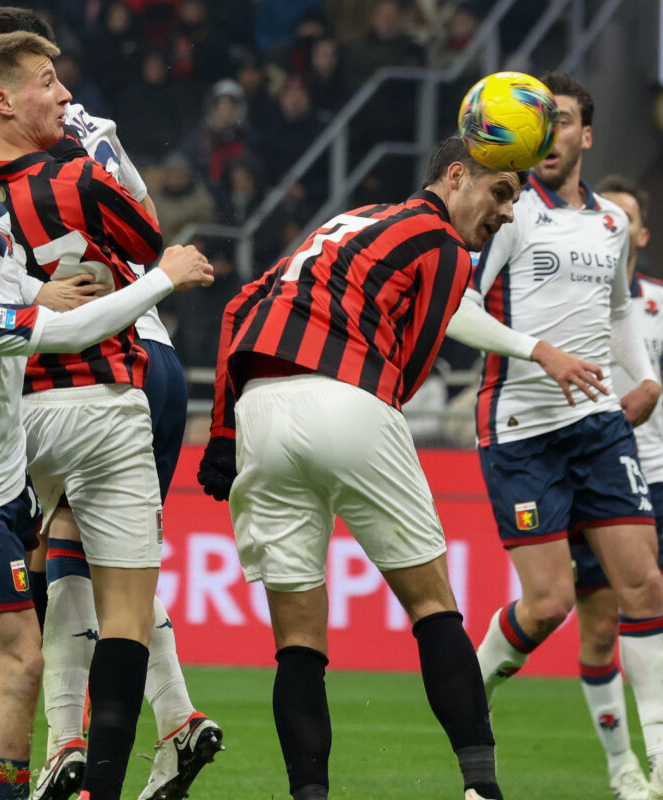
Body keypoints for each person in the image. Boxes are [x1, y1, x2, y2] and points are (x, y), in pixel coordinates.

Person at [197, 134, 532, 800]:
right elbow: (407, 369)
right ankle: (482, 789)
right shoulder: (441, 244)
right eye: (501, 193)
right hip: (350, 396)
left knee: (297, 641)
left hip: (261, 408)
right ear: (457, 175)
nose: (508, 214)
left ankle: (310, 795)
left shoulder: (348, 221)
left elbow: (239, 309)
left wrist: (221, 432)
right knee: (434, 608)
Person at [0, 10, 225, 800]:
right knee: (114, 588)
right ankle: (146, 735)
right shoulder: (84, 147)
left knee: (49, 570)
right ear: (0, 93)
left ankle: (73, 743)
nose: (64, 95)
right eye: (49, 80)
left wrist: (27, 292)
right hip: (128, 370)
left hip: (18, 403)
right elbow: (145, 238)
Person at [0, 144, 212, 800]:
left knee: (7, 579)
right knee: (20, 660)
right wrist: (161, 278)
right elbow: (68, 335)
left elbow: (27, 286)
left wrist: (44, 288)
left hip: (5, 472)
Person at [444, 72, 663, 800]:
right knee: (549, 605)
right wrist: (541, 355)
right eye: (534, 122)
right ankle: (469, 700)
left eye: (557, 120)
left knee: (645, 585)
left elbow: (621, 310)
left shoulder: (610, 225)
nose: (546, 134)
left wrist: (644, 375)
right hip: (521, 428)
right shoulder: (507, 214)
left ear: (581, 134)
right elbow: (456, 309)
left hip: (597, 426)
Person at [571, 176, 663, 800]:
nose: (615, 226)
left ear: (640, 233)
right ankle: (623, 767)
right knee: (599, 632)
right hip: (593, 474)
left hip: (655, 475)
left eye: (626, 219)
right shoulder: (566, 294)